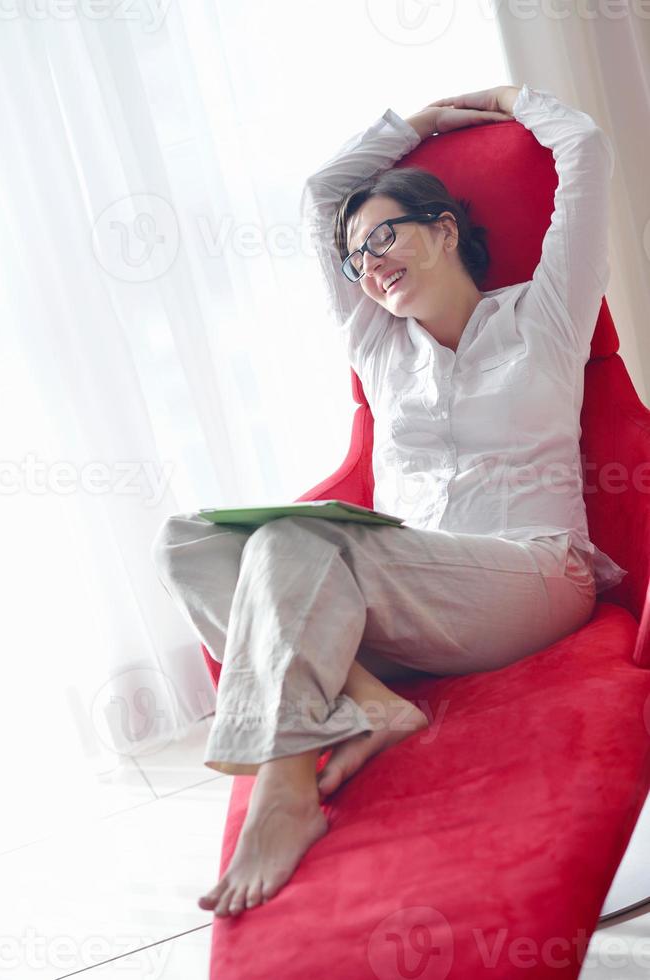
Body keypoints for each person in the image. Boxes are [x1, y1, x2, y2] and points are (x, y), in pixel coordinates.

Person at [150, 83, 628, 919]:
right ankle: (370, 699)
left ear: (444, 230)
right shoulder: (375, 343)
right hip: (404, 594)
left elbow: (583, 144)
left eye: (385, 237)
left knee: (291, 546)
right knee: (185, 541)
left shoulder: (546, 317)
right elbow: (319, 197)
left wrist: (501, 99)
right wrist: (410, 126)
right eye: (356, 258)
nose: (368, 264)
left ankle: (285, 786)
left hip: (531, 577)